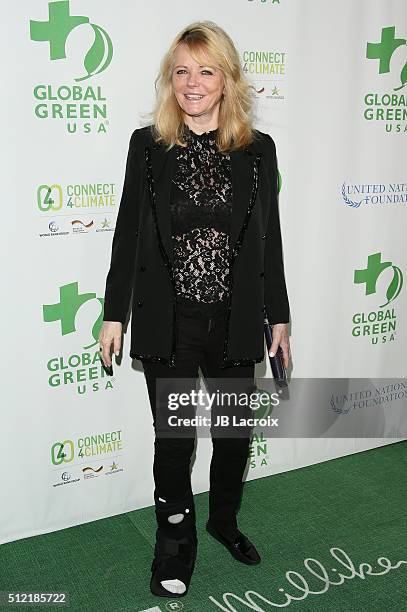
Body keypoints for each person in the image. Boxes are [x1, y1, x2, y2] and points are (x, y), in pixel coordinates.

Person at [99, 20, 291, 598]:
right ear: (170, 80)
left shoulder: (258, 151)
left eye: (205, 70)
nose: (192, 83)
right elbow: (127, 231)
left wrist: (279, 316)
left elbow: (269, 240)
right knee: (175, 441)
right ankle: (174, 544)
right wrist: (114, 312)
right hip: (171, 322)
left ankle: (224, 521)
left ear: (227, 79)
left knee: (234, 435)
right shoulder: (147, 146)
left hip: (234, 322)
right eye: (181, 71)